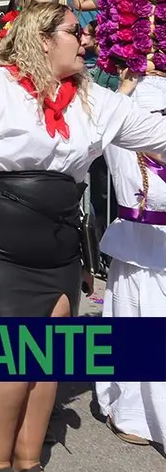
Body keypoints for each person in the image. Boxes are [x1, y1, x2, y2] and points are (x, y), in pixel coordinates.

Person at [0, 1, 166, 472]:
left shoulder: (95, 99)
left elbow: (159, 134)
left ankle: (28, 463)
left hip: (55, 243)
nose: (86, 38)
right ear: (43, 39)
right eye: (75, 31)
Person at [93, 75, 166, 447]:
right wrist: (125, 88)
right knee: (139, 329)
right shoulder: (122, 140)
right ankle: (134, 413)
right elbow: (97, 119)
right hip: (139, 251)